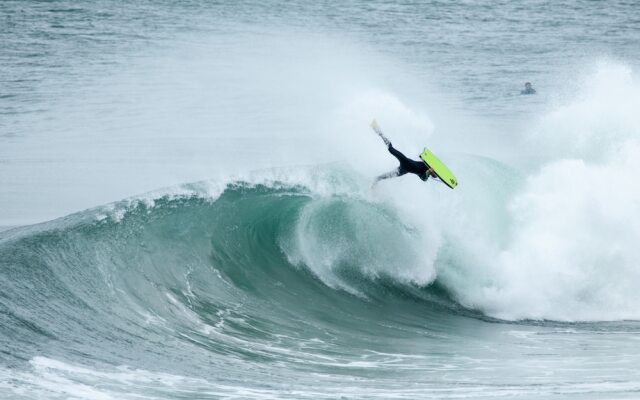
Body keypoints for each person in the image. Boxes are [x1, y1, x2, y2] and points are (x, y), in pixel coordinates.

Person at [373, 129, 438, 185]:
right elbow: (425, 156)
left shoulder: (424, 176)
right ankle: (379, 131)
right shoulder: (426, 164)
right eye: (434, 173)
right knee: (390, 149)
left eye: (433, 175)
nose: (433, 174)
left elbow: (424, 178)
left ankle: (375, 181)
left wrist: (429, 171)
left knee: (385, 176)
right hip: (405, 161)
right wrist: (430, 167)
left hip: (403, 170)